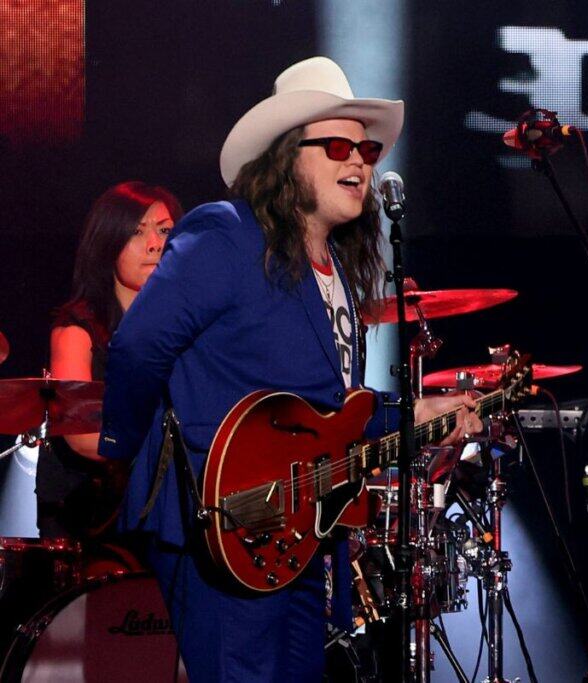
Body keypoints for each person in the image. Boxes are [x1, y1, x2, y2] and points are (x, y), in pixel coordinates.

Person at [98, 57, 482, 681]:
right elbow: (139, 347)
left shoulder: (334, 274)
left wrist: (416, 411)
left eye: (367, 147)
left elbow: (329, 412)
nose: (359, 160)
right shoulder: (227, 235)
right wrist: (132, 456)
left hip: (302, 540)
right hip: (225, 529)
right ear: (285, 157)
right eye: (336, 145)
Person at [39, 181, 182, 540]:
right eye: (137, 232)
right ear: (108, 244)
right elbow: (84, 436)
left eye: (165, 230)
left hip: (168, 505)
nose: (155, 244)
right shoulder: (77, 330)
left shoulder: (186, 327)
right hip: (91, 514)